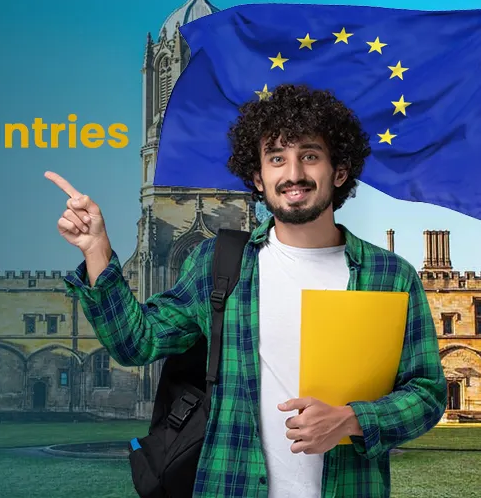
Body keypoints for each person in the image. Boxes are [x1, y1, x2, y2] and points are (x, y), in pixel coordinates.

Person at [45, 83, 447, 498]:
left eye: (309, 155)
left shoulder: (389, 276)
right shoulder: (219, 264)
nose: (293, 174)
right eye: (277, 159)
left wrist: (352, 420)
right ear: (258, 178)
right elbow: (136, 343)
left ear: (339, 170)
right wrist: (96, 250)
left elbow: (427, 393)